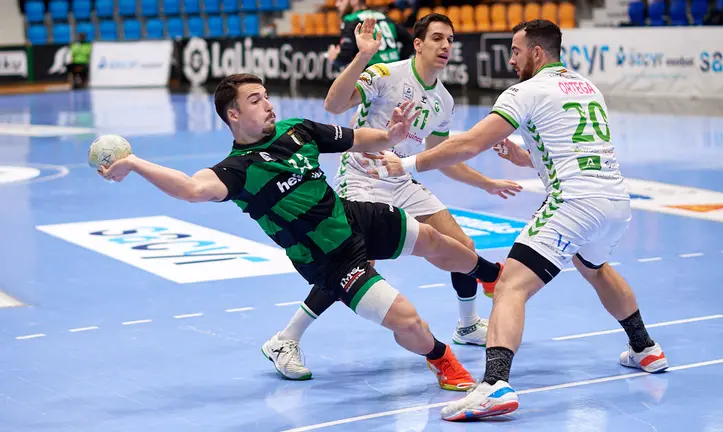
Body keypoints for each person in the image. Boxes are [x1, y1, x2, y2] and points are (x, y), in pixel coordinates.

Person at [98, 73, 506, 392]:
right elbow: (190, 189)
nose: (268, 104)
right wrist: (134, 163)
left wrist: (390, 136)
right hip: (330, 260)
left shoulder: (296, 130)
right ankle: (441, 358)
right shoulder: (238, 170)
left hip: (352, 217)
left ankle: (489, 275)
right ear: (233, 115)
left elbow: (354, 139)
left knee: (436, 242)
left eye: (266, 96)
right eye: (255, 100)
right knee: (409, 321)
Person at [368, 19, 669, 421]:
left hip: (573, 203)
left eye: (516, 51)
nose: (511, 60)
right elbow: (578, 151)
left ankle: (494, 385)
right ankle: (646, 348)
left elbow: (469, 143)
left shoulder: (525, 91)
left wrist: (405, 164)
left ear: (537, 53)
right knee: (594, 267)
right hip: (615, 201)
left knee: (509, 284)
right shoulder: (587, 88)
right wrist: (525, 158)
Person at [266, 14, 523, 381]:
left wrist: (486, 184)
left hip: (401, 179)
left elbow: (441, 157)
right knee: (354, 264)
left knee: (461, 245)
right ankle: (285, 339)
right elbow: (334, 105)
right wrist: (362, 56)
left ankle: (467, 325)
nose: (445, 46)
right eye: (437, 38)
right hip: (362, 178)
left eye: (450, 40)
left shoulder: (444, 100)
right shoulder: (386, 74)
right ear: (418, 44)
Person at [327, 0, 414, 71]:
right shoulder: (385, 17)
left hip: (371, 75)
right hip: (393, 71)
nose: (337, 4)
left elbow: (345, 56)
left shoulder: (350, 20)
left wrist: (335, 58)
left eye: (341, 0)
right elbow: (410, 41)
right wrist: (399, 60)